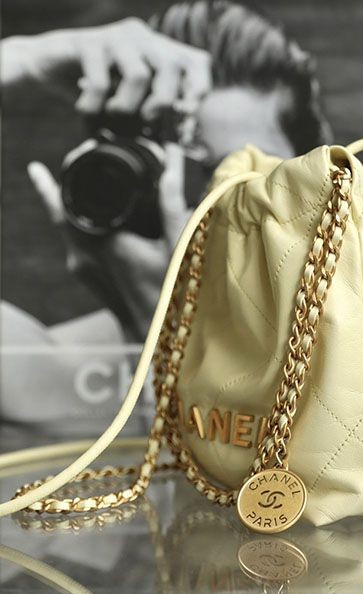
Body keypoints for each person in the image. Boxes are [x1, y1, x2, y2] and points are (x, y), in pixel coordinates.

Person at [0, 1, 331, 425]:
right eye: (182, 177)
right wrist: (26, 59)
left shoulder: (362, 368)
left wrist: (167, 332)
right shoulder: (52, 375)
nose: (201, 212)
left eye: (242, 179)